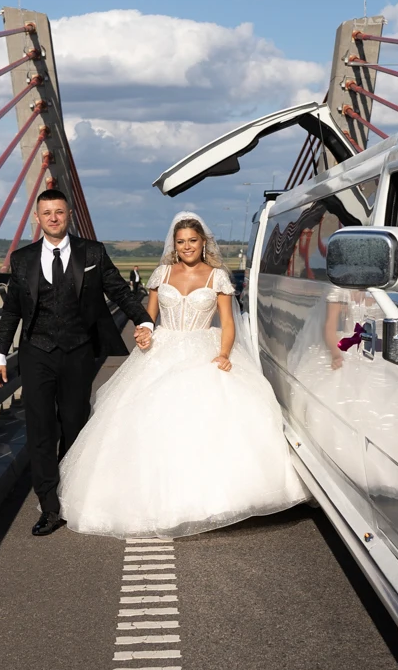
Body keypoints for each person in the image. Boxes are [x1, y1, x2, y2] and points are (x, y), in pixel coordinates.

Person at [56, 212, 307, 540]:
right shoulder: (162, 273)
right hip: (162, 348)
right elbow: (148, 317)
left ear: (203, 243)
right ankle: (145, 500)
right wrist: (143, 334)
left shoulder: (217, 277)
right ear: (174, 245)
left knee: (202, 421)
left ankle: (203, 503)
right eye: (181, 242)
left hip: (204, 348)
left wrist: (224, 354)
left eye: (192, 241)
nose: (187, 246)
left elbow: (227, 323)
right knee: (145, 420)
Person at [0, 189, 155, 537]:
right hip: (36, 352)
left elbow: (119, 290)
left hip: (79, 351)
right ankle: (50, 506)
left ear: (69, 215)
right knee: (40, 429)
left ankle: (72, 493)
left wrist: (144, 321)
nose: (53, 218)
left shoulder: (92, 253)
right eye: (46, 213)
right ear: (37, 218)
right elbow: (12, 310)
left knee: (74, 424)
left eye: (59, 212)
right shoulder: (22, 259)